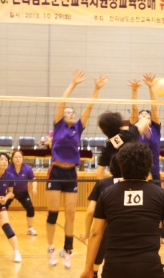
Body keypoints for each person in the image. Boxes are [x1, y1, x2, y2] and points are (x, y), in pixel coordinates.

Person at [80, 141, 164, 278]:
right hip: (150, 268)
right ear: (148, 166)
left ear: (121, 164)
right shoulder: (161, 194)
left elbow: (95, 233)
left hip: (114, 269)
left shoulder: (106, 194)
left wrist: (89, 267)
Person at [46, 69, 108, 268]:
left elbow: (89, 107)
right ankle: (50, 248)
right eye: (68, 113)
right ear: (62, 117)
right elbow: (62, 102)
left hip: (71, 172)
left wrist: (96, 88)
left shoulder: (78, 128)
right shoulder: (58, 126)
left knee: (71, 214)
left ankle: (67, 250)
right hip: (56, 171)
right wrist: (73, 84)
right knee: (53, 213)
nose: (71, 114)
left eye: (73, 113)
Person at [129, 73, 164, 245]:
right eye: (142, 115)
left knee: (157, 203)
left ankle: (161, 234)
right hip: (136, 172)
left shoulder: (155, 130)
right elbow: (134, 109)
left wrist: (151, 87)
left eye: (147, 115)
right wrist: (134, 91)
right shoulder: (134, 130)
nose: (145, 116)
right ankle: (137, 232)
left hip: (154, 171)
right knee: (137, 203)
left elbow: (155, 107)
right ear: (138, 119)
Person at [80, 155, 123, 278]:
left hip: (106, 229)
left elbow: (90, 211)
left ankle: (94, 273)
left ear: (110, 168)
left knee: (95, 266)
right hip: (129, 231)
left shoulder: (102, 183)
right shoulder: (135, 185)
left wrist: (87, 233)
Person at [0, 149, 38, 236]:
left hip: (23, 193)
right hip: (9, 192)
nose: (18, 159)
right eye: (16, 157)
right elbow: (2, 178)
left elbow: (33, 179)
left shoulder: (27, 168)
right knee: (1, 209)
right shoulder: (8, 168)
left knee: (30, 208)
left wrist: (34, 187)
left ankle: (30, 228)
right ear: (12, 159)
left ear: (22, 158)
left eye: (20, 157)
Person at [95, 110, 148, 180]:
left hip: (119, 183)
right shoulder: (131, 133)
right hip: (139, 180)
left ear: (103, 130)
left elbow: (99, 175)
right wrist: (126, 128)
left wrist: (119, 179)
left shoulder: (107, 148)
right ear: (120, 124)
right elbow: (145, 121)